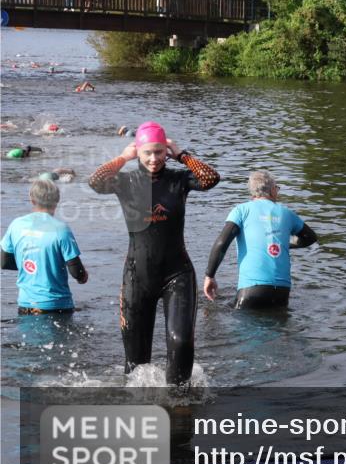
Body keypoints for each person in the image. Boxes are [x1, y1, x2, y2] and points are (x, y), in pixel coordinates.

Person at [89, 121, 220, 385]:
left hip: (177, 274)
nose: (153, 158)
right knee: (136, 362)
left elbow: (211, 178)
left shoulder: (178, 180)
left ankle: (180, 404)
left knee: (181, 342)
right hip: (137, 277)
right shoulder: (125, 182)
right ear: (138, 151)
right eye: (147, 152)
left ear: (166, 151)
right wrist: (123, 157)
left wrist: (182, 155)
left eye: (159, 152)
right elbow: (95, 182)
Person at [203, 171, 316, 310]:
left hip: (251, 290)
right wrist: (286, 245)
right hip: (282, 292)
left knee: (223, 313)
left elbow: (222, 243)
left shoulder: (241, 210)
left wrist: (210, 275)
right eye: (277, 188)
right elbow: (310, 238)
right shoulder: (287, 213)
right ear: (272, 190)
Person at [1, 179, 88, 315]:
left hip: (26, 305)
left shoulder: (16, 225)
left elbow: (4, 262)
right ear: (57, 200)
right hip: (57, 305)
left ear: (31, 199)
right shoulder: (61, 230)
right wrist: (83, 277)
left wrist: (32, 266)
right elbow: (78, 273)